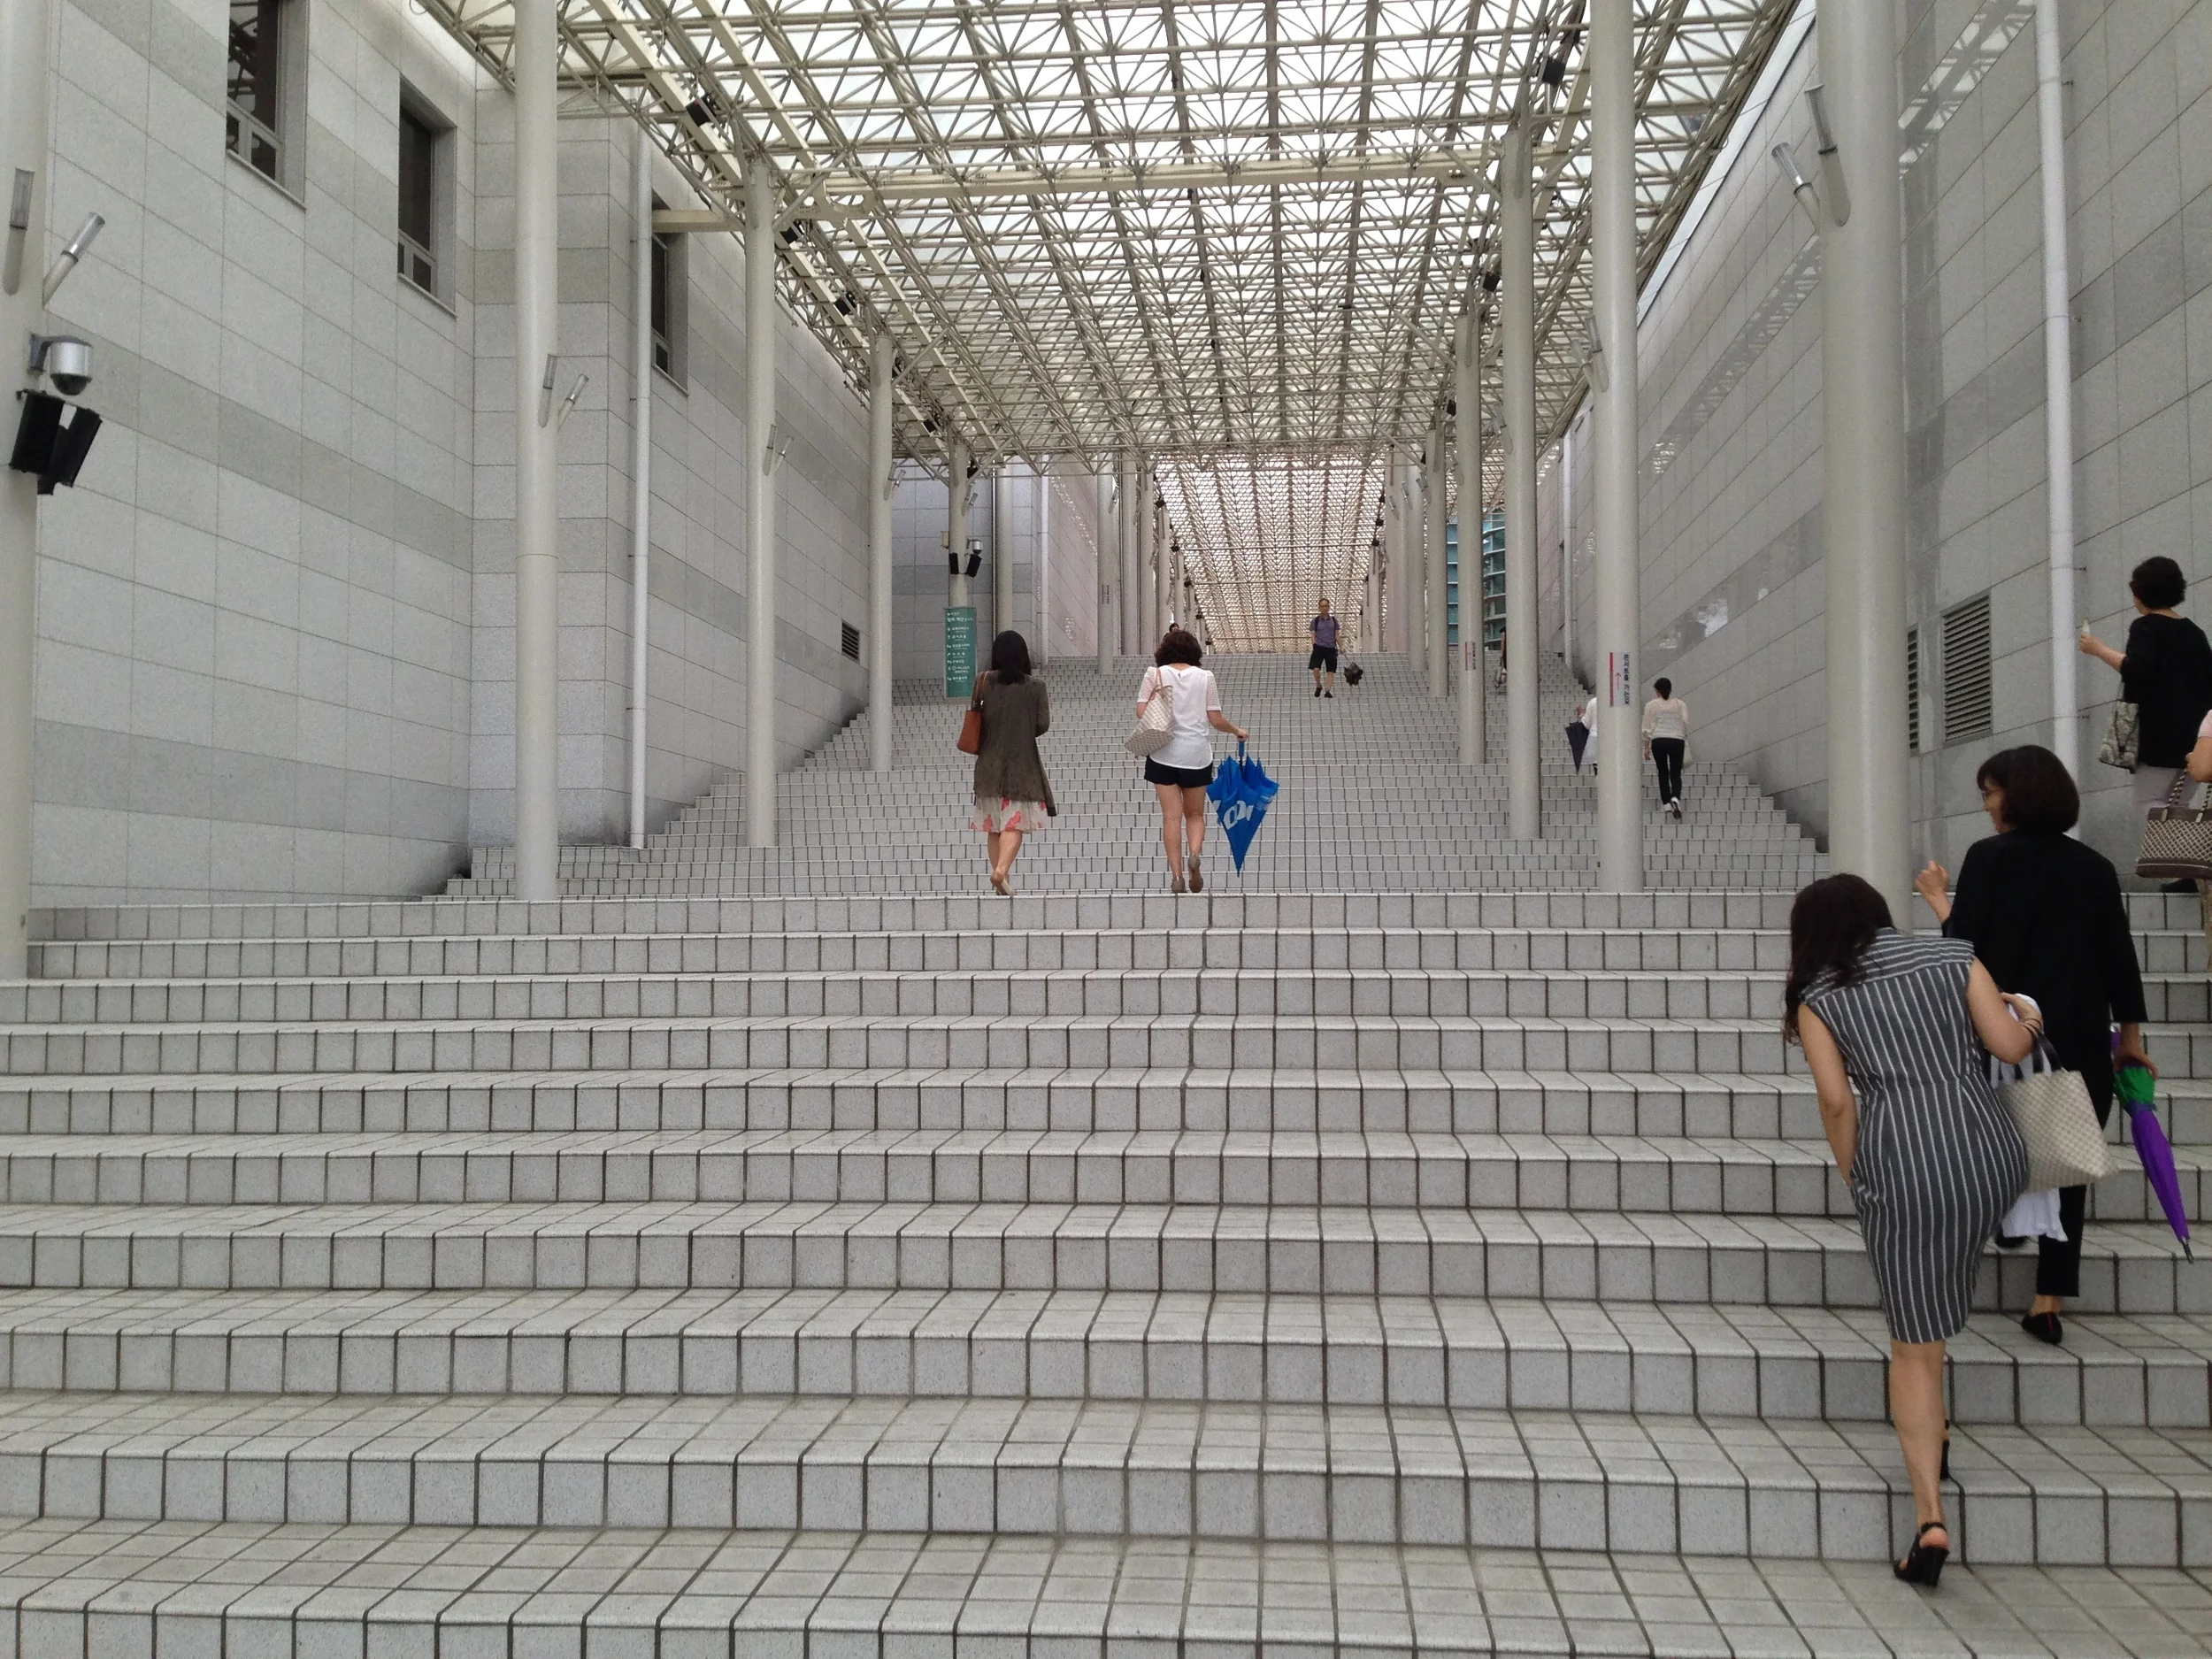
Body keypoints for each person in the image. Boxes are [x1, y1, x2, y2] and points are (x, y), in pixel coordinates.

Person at [1786, 874, 2037, 1588]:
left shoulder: (1819, 996)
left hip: (1905, 1159)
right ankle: (1940, 1428)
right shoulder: (1955, 955)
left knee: (1912, 1345)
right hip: (1990, 1152)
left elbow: (1837, 1102)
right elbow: (2009, 1045)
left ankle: (1930, 1519)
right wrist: (2032, 1018)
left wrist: (1856, 1174)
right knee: (1934, 1296)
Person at [1915, 745, 2152, 1345]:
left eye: (1990, 793)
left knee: (1997, 1144)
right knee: (2066, 1159)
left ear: (2016, 795)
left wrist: (1940, 900)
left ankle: (2000, 1230)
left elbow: (1966, 954)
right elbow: (2120, 962)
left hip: (2006, 1040)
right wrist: (2130, 1040)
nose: (1987, 806)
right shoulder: (2095, 868)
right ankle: (2048, 1299)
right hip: (2079, 1045)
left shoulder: (1988, 858)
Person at [2078, 557, 2212, 853]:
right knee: (2180, 804)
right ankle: (2184, 866)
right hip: (2196, 737)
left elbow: (2138, 670)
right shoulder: (2195, 633)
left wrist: (2097, 649)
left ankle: (2175, 868)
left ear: (2141, 593)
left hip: (2157, 735)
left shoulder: (2146, 627)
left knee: (2150, 803)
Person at [1137, 626, 1247, 893]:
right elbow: (1215, 719)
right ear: (1194, 652)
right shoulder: (1205, 677)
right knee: (1195, 814)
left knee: (1171, 818)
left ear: (1164, 651)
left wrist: (1157, 700)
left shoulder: (1155, 674)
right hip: (1197, 756)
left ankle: (1176, 877)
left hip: (1163, 754)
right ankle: (1194, 855)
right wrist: (1236, 730)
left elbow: (1141, 712)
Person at [968, 631, 1053, 896]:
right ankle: (1001, 872)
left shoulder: (983, 682)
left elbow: (977, 717)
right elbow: (1042, 724)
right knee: (1014, 823)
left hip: (989, 765)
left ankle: (1001, 878)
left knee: (993, 826)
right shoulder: (1035, 687)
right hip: (1022, 765)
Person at [1641, 677, 1689, 819]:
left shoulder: (1651, 705)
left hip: (1659, 740)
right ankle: (1675, 797)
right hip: (1677, 740)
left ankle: (1666, 803)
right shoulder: (1680, 704)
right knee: (1676, 772)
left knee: (1663, 772)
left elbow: (1646, 727)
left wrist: (1646, 747)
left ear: (1657, 691)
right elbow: (1685, 722)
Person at [1308, 600, 1340, 697]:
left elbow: (1337, 634)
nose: (1324, 608)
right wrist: (1314, 644)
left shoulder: (1333, 620)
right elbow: (1313, 634)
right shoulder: (1316, 620)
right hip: (1319, 647)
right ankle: (1318, 685)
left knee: (1330, 671)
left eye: (1326, 606)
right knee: (1315, 669)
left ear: (1329, 607)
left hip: (1331, 648)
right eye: (1322, 606)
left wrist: (1341, 646)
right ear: (1319, 608)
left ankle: (1327, 691)